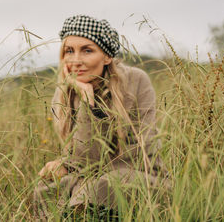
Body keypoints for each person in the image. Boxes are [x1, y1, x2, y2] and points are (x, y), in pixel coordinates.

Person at [33, 15, 165, 220]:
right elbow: (83, 159)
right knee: (47, 189)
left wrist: (70, 165)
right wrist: (86, 99)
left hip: (137, 173)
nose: (76, 61)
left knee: (103, 186)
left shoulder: (136, 81)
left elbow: (141, 151)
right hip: (87, 175)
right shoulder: (65, 93)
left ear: (106, 57)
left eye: (87, 50)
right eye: (69, 51)